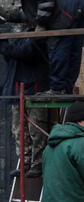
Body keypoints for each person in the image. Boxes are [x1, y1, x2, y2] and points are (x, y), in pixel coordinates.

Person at [0, 18, 50, 178]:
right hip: (18, 89)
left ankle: (37, 164)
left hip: (35, 89)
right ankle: (25, 162)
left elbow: (25, 53)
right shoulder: (23, 34)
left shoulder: (39, 36)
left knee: (36, 129)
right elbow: (12, 55)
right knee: (19, 129)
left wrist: (2, 43)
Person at [16, 0, 84, 94]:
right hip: (75, 7)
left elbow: (46, 2)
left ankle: (58, 88)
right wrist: (10, 17)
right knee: (72, 49)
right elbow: (34, 9)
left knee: (58, 48)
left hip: (64, 12)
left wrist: (41, 24)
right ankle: (67, 87)